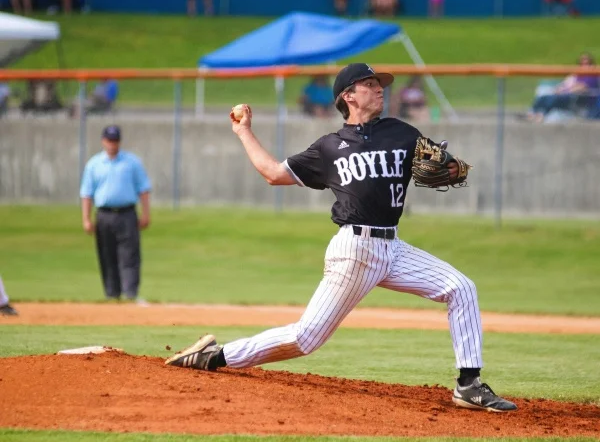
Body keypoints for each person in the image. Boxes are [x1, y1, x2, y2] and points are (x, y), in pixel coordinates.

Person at [165, 63, 517, 413]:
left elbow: (442, 165)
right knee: (305, 338)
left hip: (393, 247)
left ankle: (468, 384)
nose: (380, 88)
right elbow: (274, 174)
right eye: (369, 84)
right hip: (355, 250)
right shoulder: (329, 148)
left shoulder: (401, 132)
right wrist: (244, 132)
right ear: (348, 96)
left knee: (461, 288)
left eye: (380, 84)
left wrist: (452, 168)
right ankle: (215, 356)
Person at [80, 125, 152, 305]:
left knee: (130, 255)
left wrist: (145, 213)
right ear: (103, 141)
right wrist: (86, 219)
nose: (113, 144)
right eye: (109, 140)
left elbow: (143, 189)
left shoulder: (131, 162)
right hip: (104, 214)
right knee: (107, 254)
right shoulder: (94, 164)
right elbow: (87, 193)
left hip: (127, 213)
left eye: (115, 140)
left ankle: (130, 293)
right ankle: (111, 294)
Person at [526, 52, 599, 122]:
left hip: (579, 98)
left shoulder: (592, 75)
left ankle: (541, 115)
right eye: (581, 64)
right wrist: (559, 89)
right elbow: (565, 84)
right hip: (567, 95)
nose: (584, 66)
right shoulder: (577, 75)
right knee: (543, 97)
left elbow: (582, 87)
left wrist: (568, 89)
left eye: (587, 63)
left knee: (553, 99)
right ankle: (532, 114)